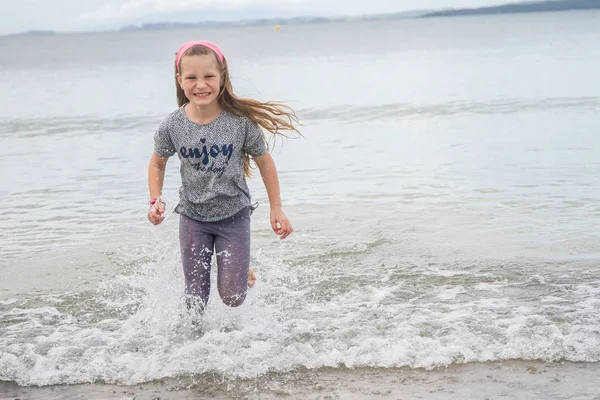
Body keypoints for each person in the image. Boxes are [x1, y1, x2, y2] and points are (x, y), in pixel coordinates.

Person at [147, 40, 300, 313]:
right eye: (192, 77)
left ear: (222, 77)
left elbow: (264, 162)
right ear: (180, 80)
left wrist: (276, 208)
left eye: (209, 76)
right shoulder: (172, 125)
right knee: (195, 300)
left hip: (234, 215)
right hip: (194, 217)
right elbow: (157, 164)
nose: (201, 84)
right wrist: (155, 200)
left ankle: (241, 270)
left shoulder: (240, 122)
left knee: (233, 297)